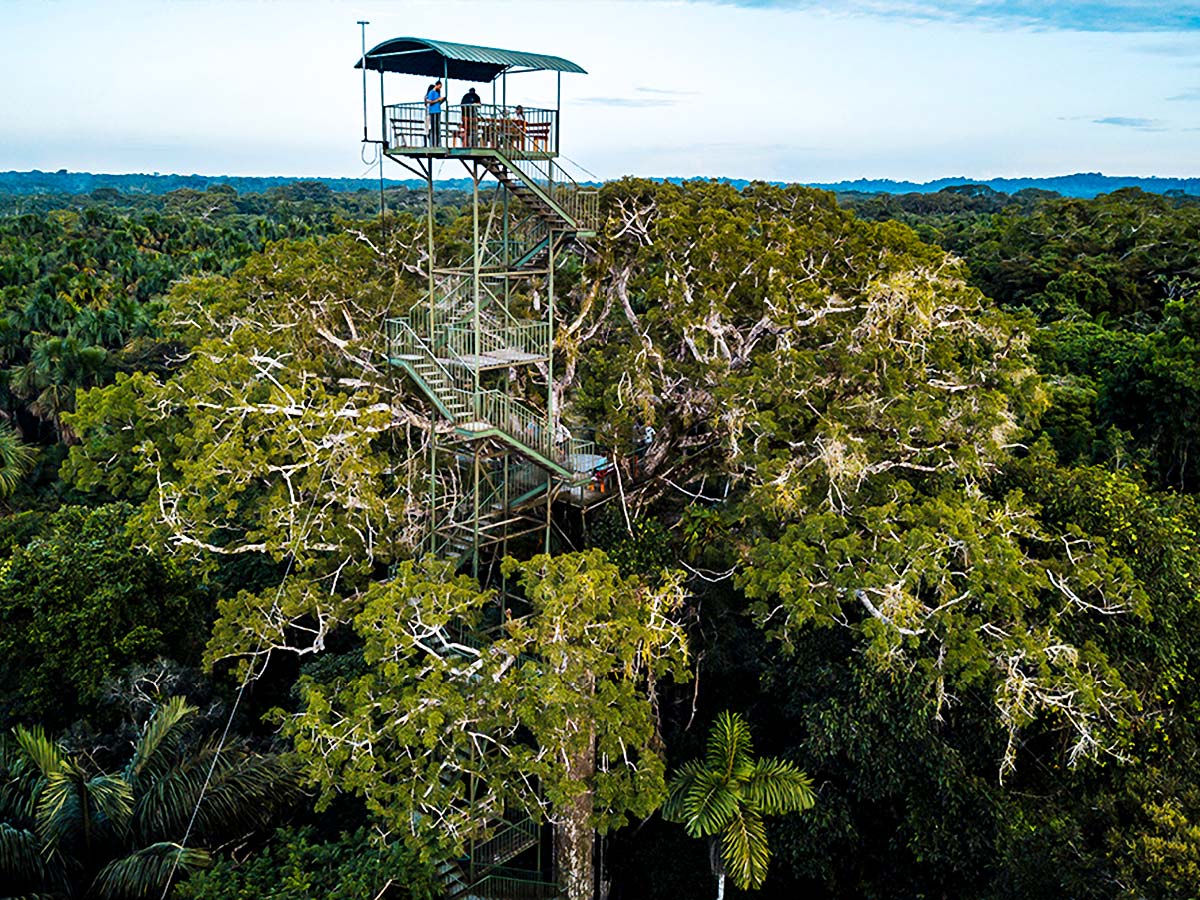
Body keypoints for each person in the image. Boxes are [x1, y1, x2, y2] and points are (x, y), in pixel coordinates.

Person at [425, 81, 445, 146]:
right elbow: (430, 102)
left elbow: (437, 102)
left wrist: (442, 100)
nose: (440, 88)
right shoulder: (431, 92)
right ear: (437, 85)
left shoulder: (437, 93)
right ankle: (433, 143)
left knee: (437, 128)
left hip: (437, 111)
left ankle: (437, 143)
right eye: (440, 86)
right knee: (434, 128)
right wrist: (438, 100)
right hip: (433, 112)